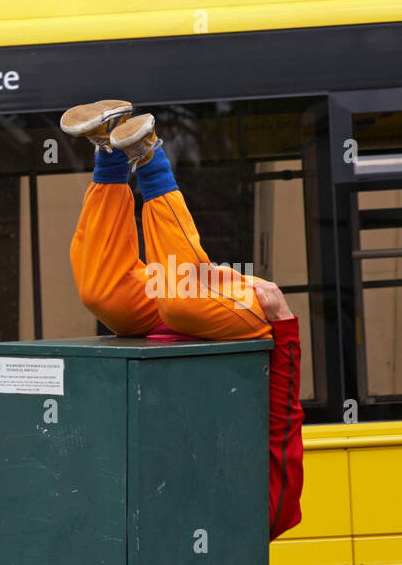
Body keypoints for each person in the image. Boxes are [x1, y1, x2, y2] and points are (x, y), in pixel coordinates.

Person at [61, 100, 305, 540]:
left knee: (103, 294)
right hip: (241, 319)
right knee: (182, 298)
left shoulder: (167, 503)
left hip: (162, 322)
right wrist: (285, 325)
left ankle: (110, 156)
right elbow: (283, 419)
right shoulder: (271, 508)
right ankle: (150, 155)